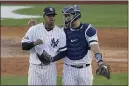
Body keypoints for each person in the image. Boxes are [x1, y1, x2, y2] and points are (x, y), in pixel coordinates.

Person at [28, 5, 110, 85]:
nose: (66, 18)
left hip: (85, 70)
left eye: (68, 16)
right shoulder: (62, 31)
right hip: (68, 70)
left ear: (76, 15)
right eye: (65, 16)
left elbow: (94, 46)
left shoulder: (88, 29)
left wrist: (100, 61)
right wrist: (34, 27)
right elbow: (46, 36)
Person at [21, 7, 66, 85]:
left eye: (53, 15)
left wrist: (52, 59)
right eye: (49, 15)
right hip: (34, 68)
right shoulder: (34, 29)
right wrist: (34, 43)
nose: (51, 17)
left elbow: (63, 51)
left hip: (50, 68)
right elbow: (23, 46)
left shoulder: (60, 32)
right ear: (44, 16)